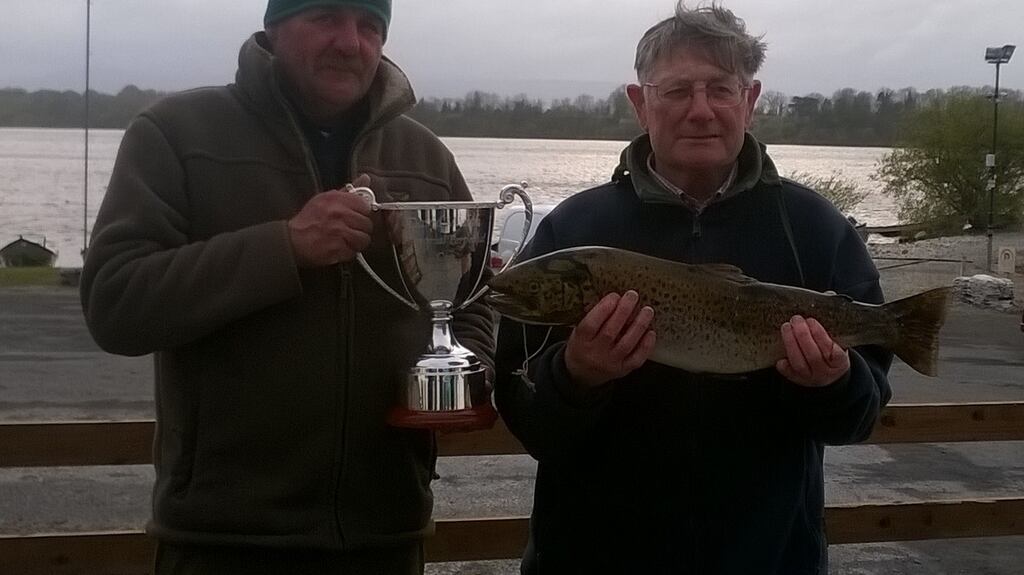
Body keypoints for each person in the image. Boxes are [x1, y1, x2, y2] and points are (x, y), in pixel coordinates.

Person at [79, 1, 495, 573]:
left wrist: (465, 375)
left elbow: (476, 295)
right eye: (326, 16)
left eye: (370, 25)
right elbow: (115, 303)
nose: (351, 42)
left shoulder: (423, 156)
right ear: (274, 26)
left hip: (387, 536)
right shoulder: (176, 133)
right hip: (222, 543)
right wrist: (285, 247)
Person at [493, 2, 892, 573]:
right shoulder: (571, 235)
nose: (700, 111)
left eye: (720, 90)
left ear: (750, 101)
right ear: (640, 103)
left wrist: (833, 383)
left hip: (772, 559)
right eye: (677, 91)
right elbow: (528, 421)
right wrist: (575, 378)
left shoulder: (816, 230)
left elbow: (859, 419)